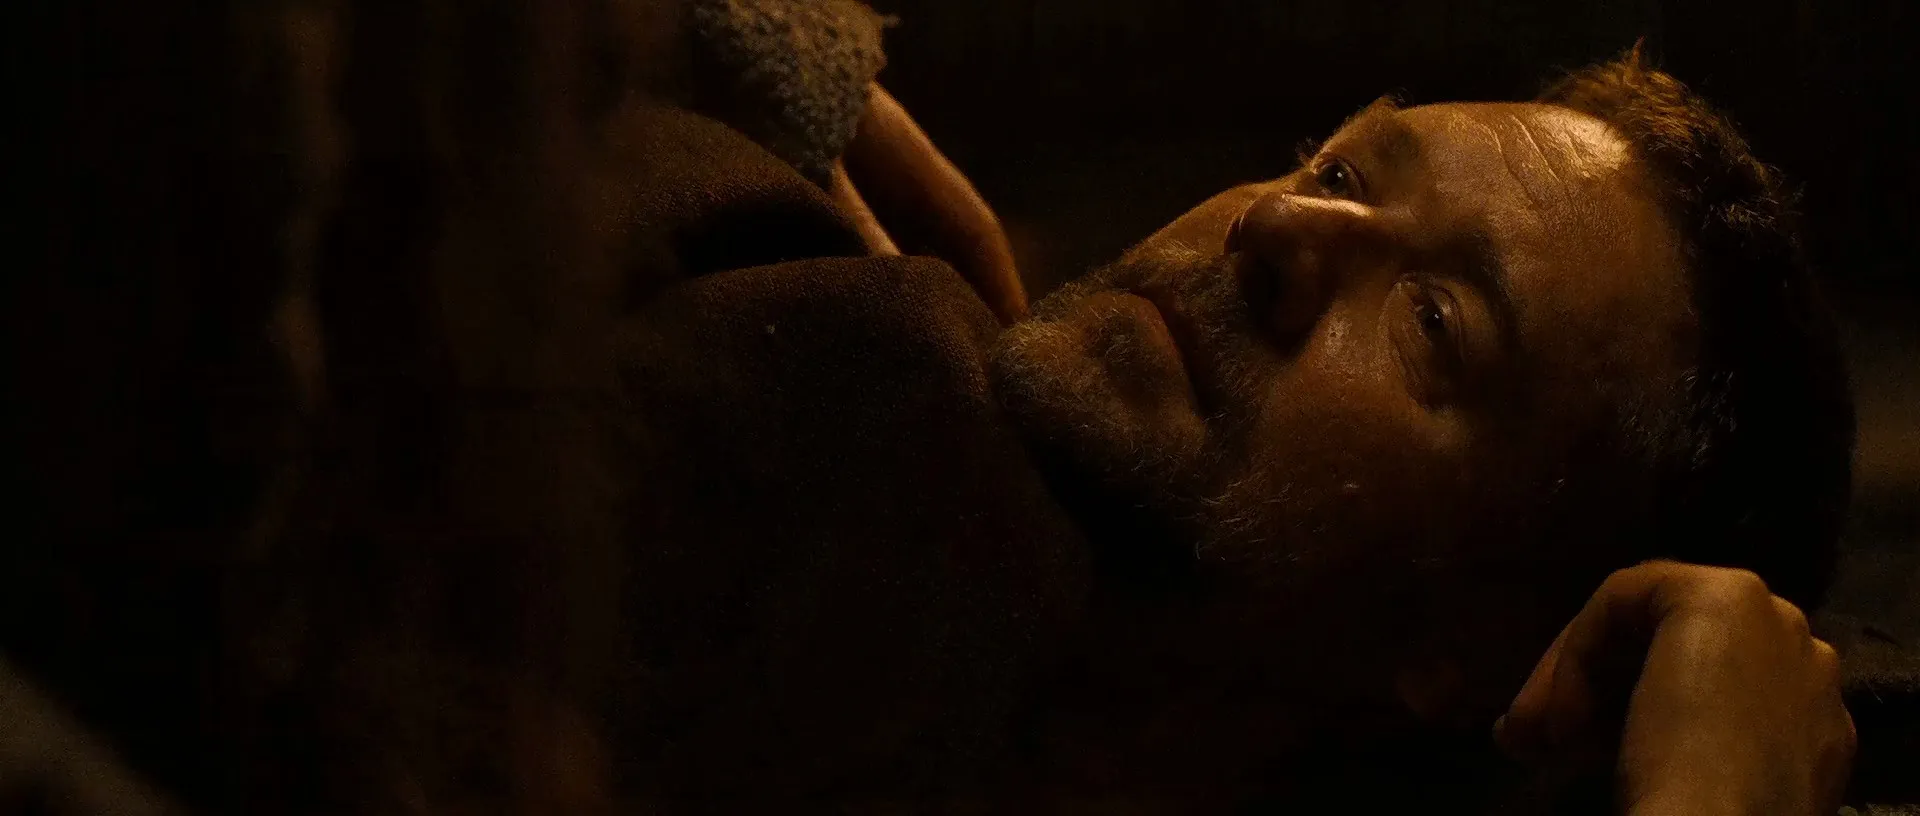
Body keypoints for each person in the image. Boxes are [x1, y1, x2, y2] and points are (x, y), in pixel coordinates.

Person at [2, 1, 1879, 812]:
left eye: (1439, 320)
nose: (1279, 230)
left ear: (1486, 653)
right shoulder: (870, 391)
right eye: (1332, 166)